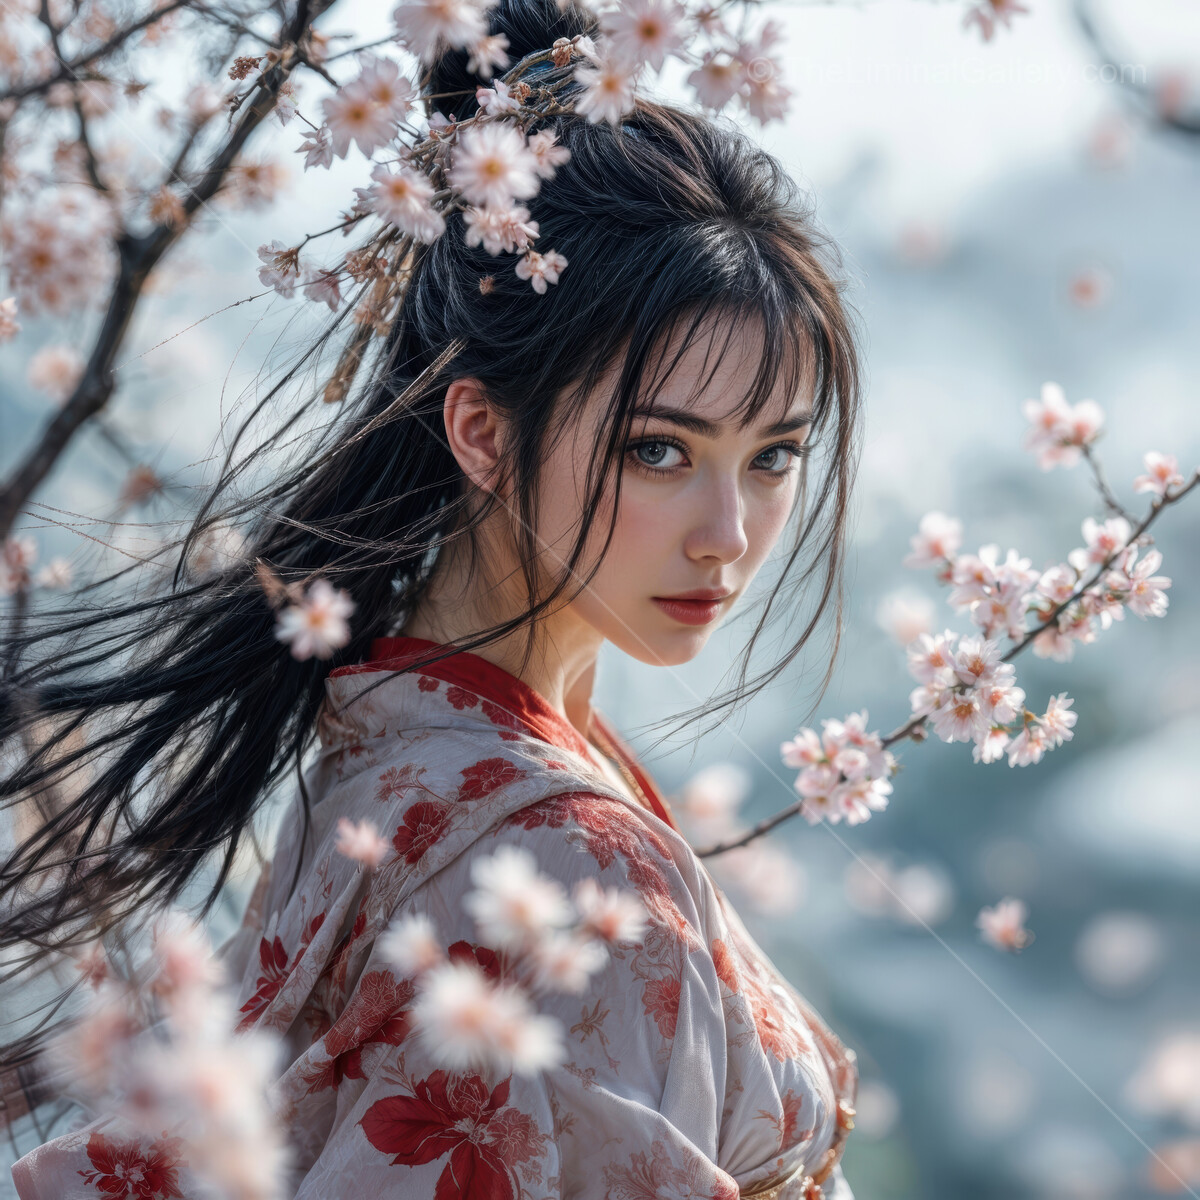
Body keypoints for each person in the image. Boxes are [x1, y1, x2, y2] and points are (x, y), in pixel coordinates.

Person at [1, 0, 865, 1193]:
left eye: (773, 455)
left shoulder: (387, 744)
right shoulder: (566, 860)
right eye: (658, 450)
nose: (729, 537)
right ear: (478, 429)